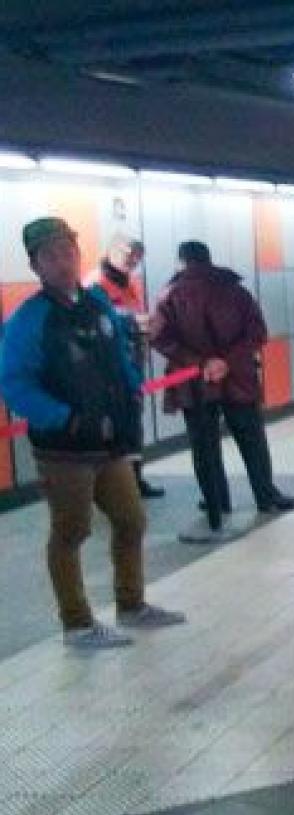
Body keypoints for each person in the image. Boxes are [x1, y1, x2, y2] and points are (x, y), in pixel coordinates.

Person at [0, 217, 186, 649]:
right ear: (36, 265)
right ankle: (77, 623)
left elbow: (118, 352)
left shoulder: (97, 303)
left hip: (109, 443)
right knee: (71, 532)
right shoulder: (29, 320)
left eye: (68, 252)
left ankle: (132, 605)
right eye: (51, 256)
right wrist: (63, 418)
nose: (63, 262)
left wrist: (130, 392)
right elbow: (14, 383)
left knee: (130, 520)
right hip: (64, 450)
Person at [151, 240, 294, 534]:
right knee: (252, 440)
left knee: (204, 446)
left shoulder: (170, 295)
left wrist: (202, 363)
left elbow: (161, 338)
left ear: (182, 262)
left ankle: (217, 501)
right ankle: (266, 495)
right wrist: (226, 362)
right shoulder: (236, 290)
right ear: (209, 259)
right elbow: (258, 333)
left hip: (194, 381)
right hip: (238, 377)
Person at [86, 232, 164, 498]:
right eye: (128, 256)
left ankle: (135, 480)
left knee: (133, 425)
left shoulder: (130, 283)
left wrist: (147, 326)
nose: (132, 262)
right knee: (113, 428)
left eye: (137, 258)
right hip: (107, 372)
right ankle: (114, 488)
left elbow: (135, 314)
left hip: (132, 365)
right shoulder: (95, 284)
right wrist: (134, 322)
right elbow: (96, 325)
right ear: (111, 251)